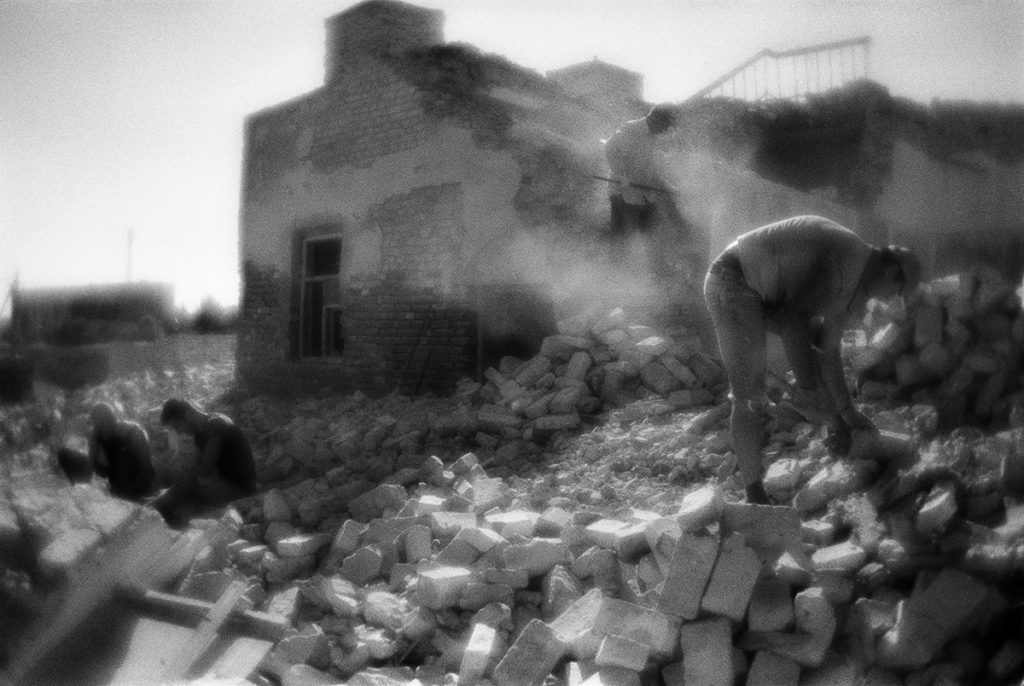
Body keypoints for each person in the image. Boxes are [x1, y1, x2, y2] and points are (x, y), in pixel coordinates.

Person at [703, 215, 920, 504]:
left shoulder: (856, 283)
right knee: (748, 392)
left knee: (807, 349)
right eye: (896, 292)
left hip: (768, 296)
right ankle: (754, 495)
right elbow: (794, 321)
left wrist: (847, 412)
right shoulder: (847, 258)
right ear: (891, 272)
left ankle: (759, 485)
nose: (888, 300)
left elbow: (826, 350)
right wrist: (810, 393)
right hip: (733, 277)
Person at [151, 398, 257, 522]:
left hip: (241, 487)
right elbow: (198, 467)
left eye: (178, 426)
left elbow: (206, 470)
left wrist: (183, 471)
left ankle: (151, 516)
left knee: (187, 483)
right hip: (224, 483)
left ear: (187, 413)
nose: (180, 431)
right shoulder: (199, 435)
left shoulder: (216, 424)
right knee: (177, 484)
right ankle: (153, 511)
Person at [56, 402, 155, 500]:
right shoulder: (96, 432)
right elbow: (90, 464)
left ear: (113, 419)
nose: (104, 427)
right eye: (99, 424)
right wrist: (84, 491)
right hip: (113, 472)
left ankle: (123, 491)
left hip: (136, 475)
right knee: (65, 455)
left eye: (107, 421)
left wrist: (136, 492)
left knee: (124, 461)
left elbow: (146, 467)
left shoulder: (134, 432)